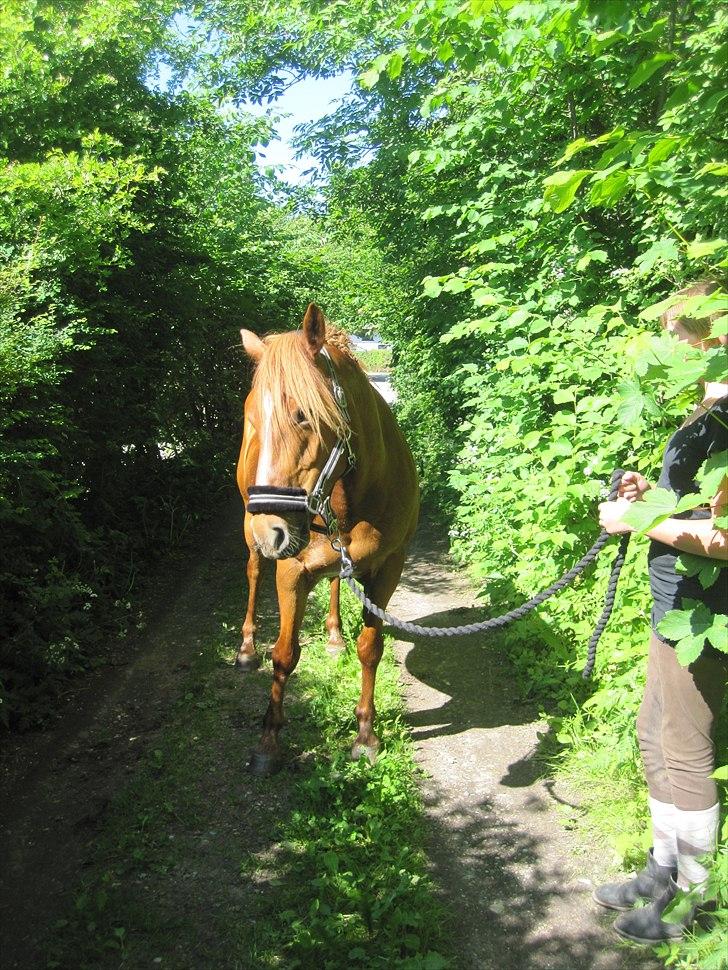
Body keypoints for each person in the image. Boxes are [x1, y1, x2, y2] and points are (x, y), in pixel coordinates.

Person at [595, 281, 728, 946]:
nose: (672, 352)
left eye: (678, 337)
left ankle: (697, 907)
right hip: (673, 605)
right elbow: (697, 506)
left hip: (706, 610)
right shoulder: (709, 411)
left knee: (685, 751)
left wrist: (635, 521)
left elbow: (726, 538)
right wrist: (653, 494)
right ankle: (663, 870)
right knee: (655, 737)